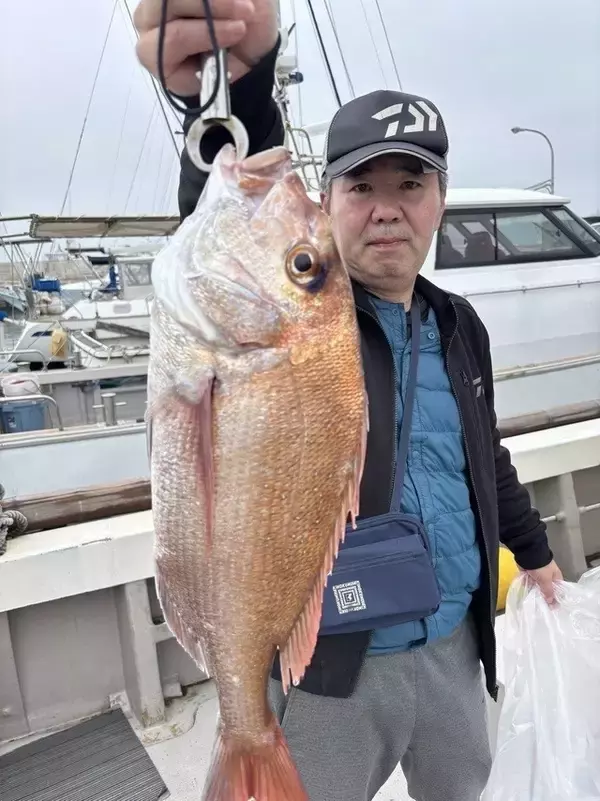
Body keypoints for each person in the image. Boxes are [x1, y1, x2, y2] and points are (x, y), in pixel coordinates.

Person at [135, 2, 563, 799]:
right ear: (329, 201)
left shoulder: (459, 324)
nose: (387, 207)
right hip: (332, 667)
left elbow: (482, 454)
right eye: (362, 185)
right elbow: (234, 230)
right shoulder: (310, 323)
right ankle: (246, 731)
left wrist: (534, 553)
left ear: (440, 199)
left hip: (454, 643)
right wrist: (238, 86)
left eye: (411, 184)